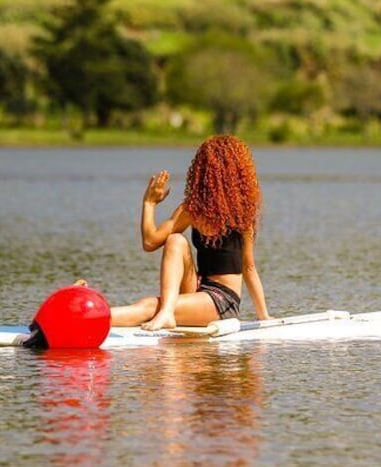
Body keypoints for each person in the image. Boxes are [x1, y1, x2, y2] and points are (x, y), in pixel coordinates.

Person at [109, 135, 271, 331]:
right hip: (197, 289)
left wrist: (264, 316)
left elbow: (249, 267)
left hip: (222, 301)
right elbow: (150, 242)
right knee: (175, 240)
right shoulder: (192, 210)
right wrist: (149, 204)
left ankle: (88, 317)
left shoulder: (242, 216)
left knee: (149, 306)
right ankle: (167, 312)